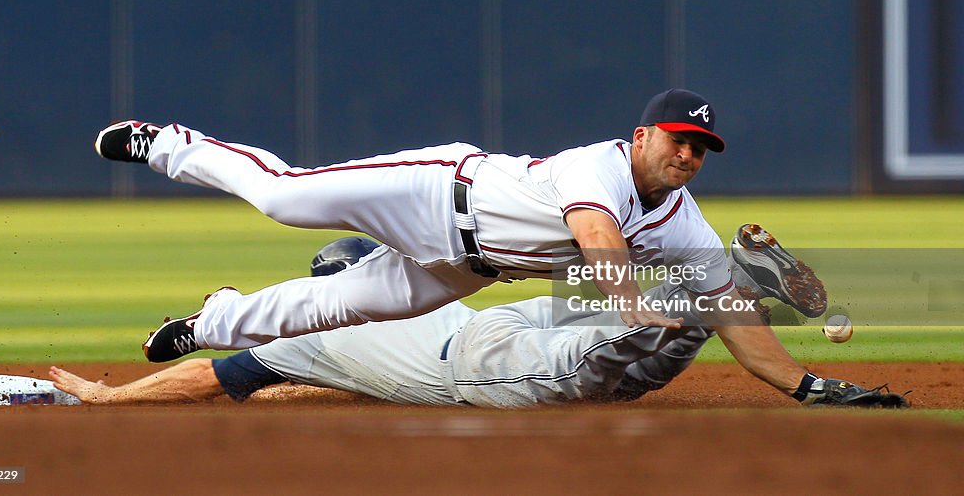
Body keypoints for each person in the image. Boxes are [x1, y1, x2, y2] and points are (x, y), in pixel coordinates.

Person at [90, 89, 827, 400]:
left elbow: (729, 304)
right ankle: (168, 144)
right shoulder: (597, 167)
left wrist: (804, 384)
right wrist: (633, 303)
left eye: (702, 149)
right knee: (285, 197)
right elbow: (598, 237)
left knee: (329, 309)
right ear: (643, 137)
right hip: (437, 191)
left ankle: (208, 322)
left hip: (467, 269)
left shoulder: (682, 220)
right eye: (680, 140)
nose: (690, 156)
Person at [50, 234, 907, 408]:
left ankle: (724, 286)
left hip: (489, 360)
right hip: (497, 324)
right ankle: (728, 274)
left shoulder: (309, 338)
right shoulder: (411, 298)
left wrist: (109, 400)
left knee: (626, 339)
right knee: (649, 305)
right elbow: (273, 385)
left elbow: (213, 373)